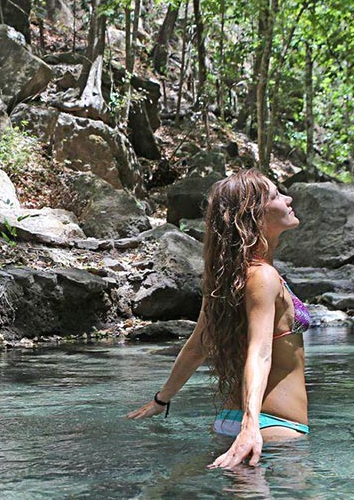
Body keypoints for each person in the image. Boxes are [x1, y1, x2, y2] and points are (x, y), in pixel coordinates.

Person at [126, 169, 310, 468]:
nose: (289, 199)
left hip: (230, 422)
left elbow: (199, 345)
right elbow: (260, 352)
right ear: (255, 216)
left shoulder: (230, 278)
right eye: (277, 196)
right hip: (272, 427)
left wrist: (161, 400)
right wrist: (252, 427)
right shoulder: (263, 276)